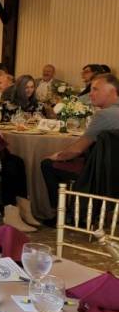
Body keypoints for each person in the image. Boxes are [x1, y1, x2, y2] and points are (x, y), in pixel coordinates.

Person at [41, 74, 119, 223]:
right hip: (113, 172)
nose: (90, 93)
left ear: (112, 91)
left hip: (100, 173)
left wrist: (55, 156)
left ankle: (64, 216)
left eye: (95, 89)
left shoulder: (104, 115)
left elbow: (76, 150)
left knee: (47, 165)